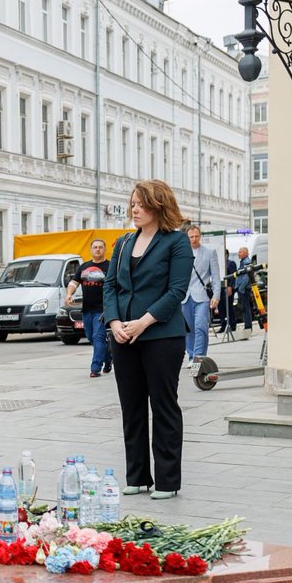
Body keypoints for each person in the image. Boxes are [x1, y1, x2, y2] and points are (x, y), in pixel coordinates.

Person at [103, 180, 194, 501]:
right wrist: (114, 322)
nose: (135, 209)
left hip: (160, 336)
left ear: (158, 206)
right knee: (132, 407)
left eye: (141, 204)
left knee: (164, 406)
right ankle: (137, 475)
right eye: (132, 204)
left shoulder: (177, 242)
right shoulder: (124, 243)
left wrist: (142, 323)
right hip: (123, 336)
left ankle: (167, 481)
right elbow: (110, 286)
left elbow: (176, 292)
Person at [64, 238, 112, 378]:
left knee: (98, 337)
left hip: (103, 310)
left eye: (100, 247)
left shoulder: (110, 267)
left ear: (105, 249)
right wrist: (69, 295)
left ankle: (95, 368)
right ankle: (108, 356)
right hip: (87, 309)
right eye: (95, 247)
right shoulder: (84, 267)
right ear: (91, 250)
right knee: (91, 337)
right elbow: (74, 282)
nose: (98, 249)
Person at [180, 225, 220, 367]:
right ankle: (192, 356)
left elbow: (215, 277)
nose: (194, 239)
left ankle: (199, 357)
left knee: (201, 326)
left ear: (200, 236)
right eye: (191, 237)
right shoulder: (181, 253)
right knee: (188, 329)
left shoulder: (209, 253)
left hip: (202, 296)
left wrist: (216, 295)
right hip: (185, 297)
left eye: (196, 236)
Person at [233, 246, 255, 338]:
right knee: (245, 308)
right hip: (242, 289)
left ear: (246, 253)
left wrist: (240, 288)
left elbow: (246, 277)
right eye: (238, 252)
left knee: (246, 308)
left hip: (244, 289)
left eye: (240, 252)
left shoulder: (246, 262)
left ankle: (248, 327)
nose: (239, 253)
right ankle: (247, 326)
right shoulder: (243, 262)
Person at [216, 250, 237, 334]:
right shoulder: (218, 264)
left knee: (229, 307)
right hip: (220, 288)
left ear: (227, 255)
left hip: (227, 288)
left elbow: (233, 276)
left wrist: (230, 286)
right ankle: (223, 325)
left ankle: (232, 325)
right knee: (221, 308)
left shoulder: (231, 263)